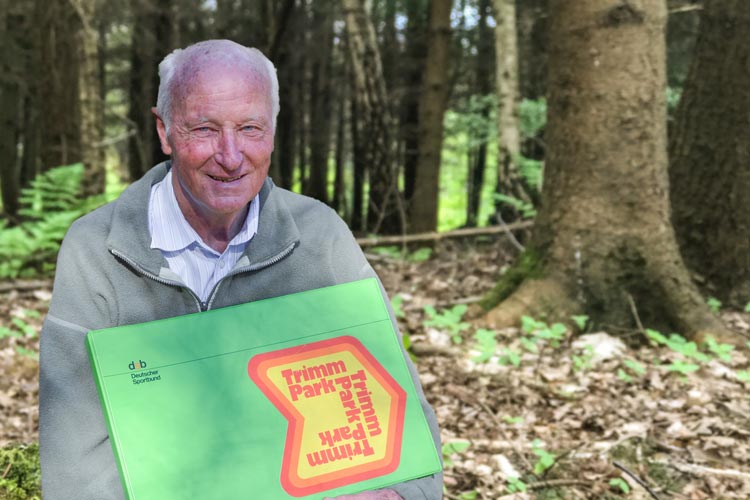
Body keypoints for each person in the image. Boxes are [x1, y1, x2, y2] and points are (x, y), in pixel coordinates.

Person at [38, 40, 442, 500]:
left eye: (250, 128)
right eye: (204, 129)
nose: (230, 157)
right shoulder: (97, 249)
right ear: (165, 131)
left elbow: (400, 411)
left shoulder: (319, 236)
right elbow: (74, 456)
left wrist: (395, 495)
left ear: (272, 131)